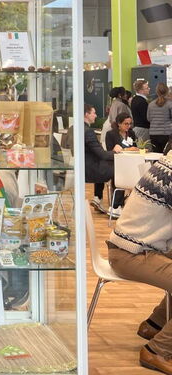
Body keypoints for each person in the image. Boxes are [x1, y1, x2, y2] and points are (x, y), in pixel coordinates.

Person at [107, 153, 172, 374]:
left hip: (133, 247)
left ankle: (154, 325)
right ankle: (157, 350)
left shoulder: (166, 164)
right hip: (132, 253)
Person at [68, 104, 123, 216]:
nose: (96, 115)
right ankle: (116, 207)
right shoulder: (88, 132)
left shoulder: (73, 128)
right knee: (119, 170)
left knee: (108, 165)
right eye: (93, 113)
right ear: (86, 114)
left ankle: (98, 198)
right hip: (90, 169)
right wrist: (115, 152)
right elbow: (101, 154)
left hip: (81, 166)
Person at [147, 83, 172, 153]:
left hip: (153, 133)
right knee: (166, 155)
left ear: (157, 92)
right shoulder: (169, 104)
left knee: (156, 154)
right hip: (166, 133)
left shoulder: (151, 104)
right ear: (167, 91)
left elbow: (148, 118)